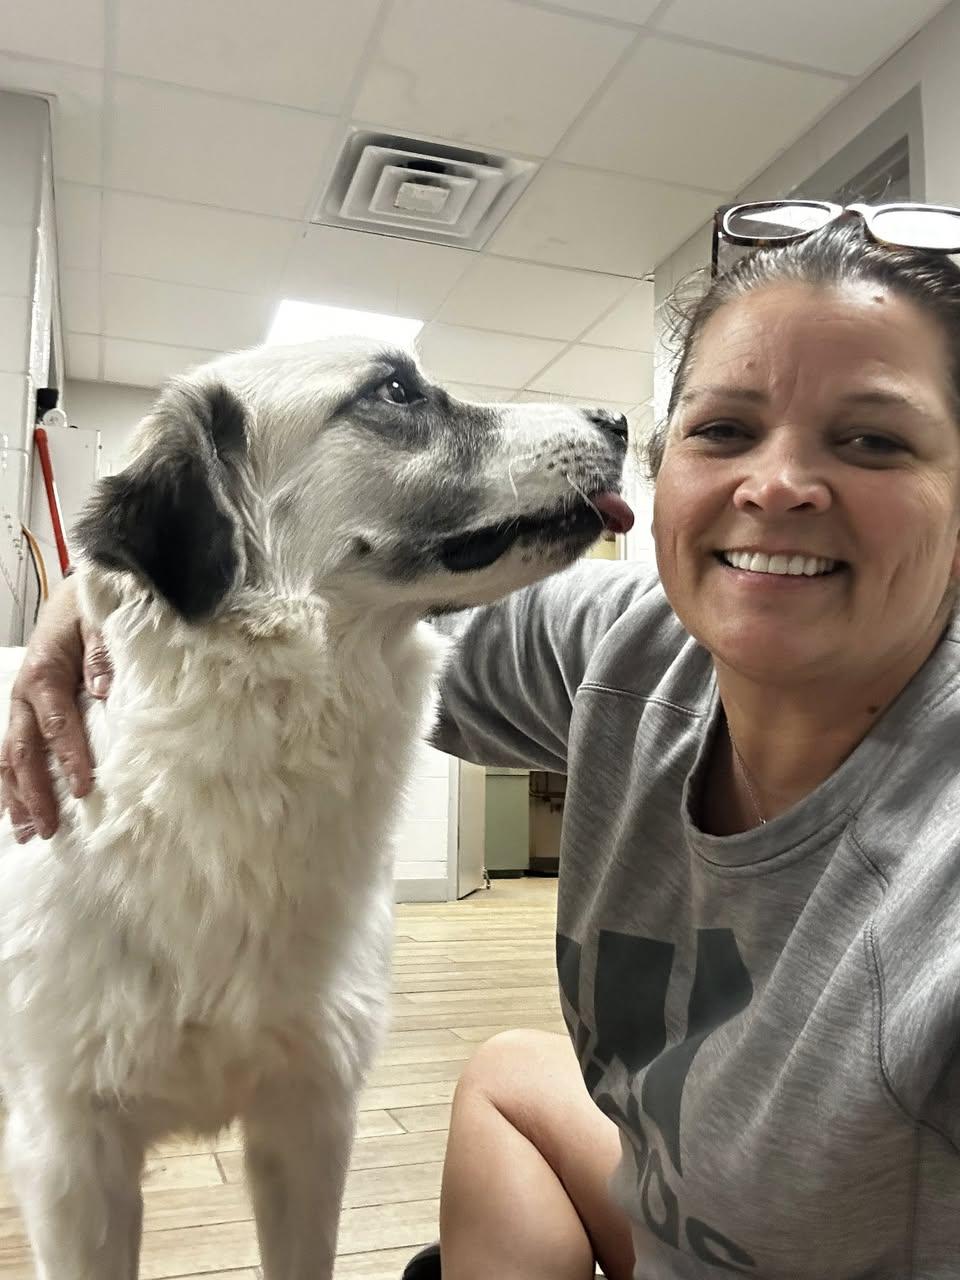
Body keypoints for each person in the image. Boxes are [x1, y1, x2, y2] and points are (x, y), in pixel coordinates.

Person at [4, 204, 960, 1280]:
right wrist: (104, 586)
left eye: (874, 440)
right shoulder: (633, 654)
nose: (775, 485)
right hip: (689, 1221)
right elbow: (313, 628)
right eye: (724, 430)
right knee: (507, 1073)